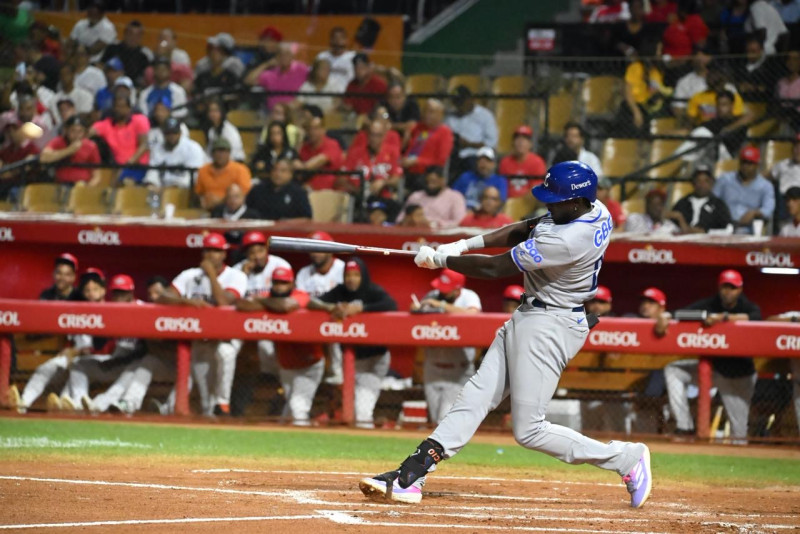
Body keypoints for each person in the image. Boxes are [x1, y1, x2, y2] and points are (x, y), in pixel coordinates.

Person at [359, 160, 652, 509]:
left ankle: (624, 458)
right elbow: (525, 227)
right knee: (475, 396)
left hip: (551, 325)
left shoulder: (571, 237)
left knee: (529, 430)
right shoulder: (591, 209)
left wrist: (442, 261)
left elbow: (495, 266)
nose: (549, 205)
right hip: (532, 316)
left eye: (556, 200)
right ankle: (413, 473)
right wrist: (463, 245)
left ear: (576, 201)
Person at [663, 269, 761, 441]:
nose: (728, 291)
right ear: (719, 287)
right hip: (714, 371)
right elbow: (683, 312)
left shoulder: (746, 306)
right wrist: (666, 315)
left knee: (739, 434)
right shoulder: (711, 303)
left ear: (740, 290)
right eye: (725, 287)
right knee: (674, 370)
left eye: (733, 287)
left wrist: (722, 318)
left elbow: (755, 317)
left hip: (739, 376)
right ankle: (684, 426)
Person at [157, 233, 247, 416]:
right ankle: (209, 413)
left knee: (225, 353)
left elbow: (223, 302)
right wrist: (187, 302)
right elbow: (164, 296)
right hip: (201, 338)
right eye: (208, 250)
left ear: (224, 254)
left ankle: (223, 403)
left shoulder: (236, 276)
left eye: (216, 251)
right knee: (206, 397)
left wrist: (211, 275)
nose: (211, 255)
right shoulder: (190, 275)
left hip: (227, 336)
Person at [310, 257, 398, 429]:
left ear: (363, 276)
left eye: (356, 275)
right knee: (353, 411)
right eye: (348, 275)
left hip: (375, 359)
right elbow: (311, 302)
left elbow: (391, 304)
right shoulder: (340, 291)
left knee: (362, 412)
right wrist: (332, 308)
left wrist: (362, 308)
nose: (351, 279)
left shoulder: (372, 290)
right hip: (350, 361)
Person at [9, 269, 109, 413]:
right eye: (87, 290)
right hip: (73, 360)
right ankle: (23, 402)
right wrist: (69, 350)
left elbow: (108, 347)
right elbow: (69, 339)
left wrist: (79, 352)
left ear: (103, 290)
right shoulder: (77, 311)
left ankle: (73, 403)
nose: (91, 293)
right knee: (46, 368)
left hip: (98, 362)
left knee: (78, 367)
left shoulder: (110, 311)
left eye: (95, 289)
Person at [236, 267, 324, 426]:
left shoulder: (300, 295)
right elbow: (242, 304)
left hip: (309, 363)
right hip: (286, 364)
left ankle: (304, 446)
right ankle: (284, 439)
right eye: (276, 283)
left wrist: (263, 302)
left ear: (291, 284)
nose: (279, 287)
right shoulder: (268, 296)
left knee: (298, 407)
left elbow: (285, 306)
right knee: (292, 407)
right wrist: (268, 302)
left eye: (283, 283)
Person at [60, 274, 148, 411]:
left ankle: (99, 405)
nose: (119, 297)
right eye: (116, 293)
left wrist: (120, 360)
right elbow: (99, 344)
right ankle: (79, 402)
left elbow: (148, 348)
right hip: (115, 360)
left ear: (131, 293)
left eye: (123, 293)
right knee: (79, 364)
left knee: (134, 369)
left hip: (133, 363)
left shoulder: (144, 309)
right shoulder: (110, 310)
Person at [414, 269, 481, 424]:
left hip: (458, 370)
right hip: (433, 368)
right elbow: (418, 311)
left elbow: (472, 315)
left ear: (457, 289)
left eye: (446, 289)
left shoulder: (469, 297)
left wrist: (441, 305)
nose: (441, 292)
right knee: (435, 420)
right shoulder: (433, 295)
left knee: (446, 420)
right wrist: (417, 307)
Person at [713, 146, 775, 234]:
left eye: (750, 163)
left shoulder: (765, 186)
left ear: (757, 165)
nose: (745, 166)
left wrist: (754, 213)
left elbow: (768, 209)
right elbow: (712, 201)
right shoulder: (725, 179)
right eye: (743, 162)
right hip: (723, 226)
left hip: (749, 229)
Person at [89, 95, 149, 184]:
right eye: (116, 106)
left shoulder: (139, 120)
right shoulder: (106, 124)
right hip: (116, 167)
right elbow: (87, 133)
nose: (118, 109)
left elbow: (144, 145)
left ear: (129, 109)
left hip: (138, 166)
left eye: (122, 107)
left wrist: (127, 164)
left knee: (125, 182)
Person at [402, 99, 454, 191]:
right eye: (425, 111)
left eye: (431, 112)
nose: (426, 115)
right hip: (406, 169)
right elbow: (406, 149)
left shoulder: (445, 132)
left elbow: (440, 161)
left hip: (426, 174)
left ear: (440, 114)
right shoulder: (419, 127)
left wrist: (417, 161)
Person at [342, 119, 403, 197]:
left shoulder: (392, 153)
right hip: (356, 196)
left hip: (382, 196)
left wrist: (383, 182)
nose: (374, 139)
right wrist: (357, 191)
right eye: (372, 134)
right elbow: (341, 179)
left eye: (378, 135)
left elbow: (397, 179)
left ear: (384, 136)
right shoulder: (355, 153)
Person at [445, 85, 498, 174]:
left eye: (461, 102)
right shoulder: (450, 117)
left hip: (475, 156)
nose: (459, 106)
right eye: (456, 102)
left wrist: (469, 144)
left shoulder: (484, 115)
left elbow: (491, 143)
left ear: (470, 99)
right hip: (454, 156)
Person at [143, 117, 207, 190]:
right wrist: (151, 183)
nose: (171, 136)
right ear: (163, 134)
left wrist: (173, 187)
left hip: (184, 191)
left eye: (174, 133)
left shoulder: (193, 148)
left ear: (180, 133)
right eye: (168, 133)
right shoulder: (157, 149)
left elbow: (194, 176)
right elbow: (152, 172)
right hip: (161, 189)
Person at [396, 166, 466, 229]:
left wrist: (433, 224)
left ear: (442, 180)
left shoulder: (455, 197)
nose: (430, 185)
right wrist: (409, 221)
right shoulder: (416, 196)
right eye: (427, 182)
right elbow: (400, 219)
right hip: (414, 233)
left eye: (433, 182)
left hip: (441, 235)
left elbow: (459, 222)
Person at [40, 116, 101, 187]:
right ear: (66, 130)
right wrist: (69, 150)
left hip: (82, 185)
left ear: (85, 133)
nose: (76, 135)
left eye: (80, 131)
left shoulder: (91, 146)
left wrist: (86, 188)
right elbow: (43, 158)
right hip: (60, 185)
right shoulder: (58, 141)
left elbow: (97, 176)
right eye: (72, 130)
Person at [246, 157, 312, 221]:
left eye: (283, 171)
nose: (278, 174)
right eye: (275, 170)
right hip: (259, 228)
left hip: (287, 230)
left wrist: (286, 223)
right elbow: (246, 211)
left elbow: (306, 219)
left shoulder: (298, 193)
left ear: (291, 174)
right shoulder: (258, 189)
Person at [670, 166, 733, 233]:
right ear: (693, 183)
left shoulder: (718, 205)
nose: (702, 185)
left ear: (711, 183)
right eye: (698, 180)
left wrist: (706, 232)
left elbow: (728, 229)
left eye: (706, 181)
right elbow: (670, 225)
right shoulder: (683, 203)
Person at [196, 137, 253, 210]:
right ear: (212, 153)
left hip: (232, 209)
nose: (221, 155)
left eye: (224, 151)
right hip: (208, 209)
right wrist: (202, 201)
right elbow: (199, 193)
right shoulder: (203, 170)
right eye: (218, 151)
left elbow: (244, 194)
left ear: (229, 153)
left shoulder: (241, 170)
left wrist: (220, 201)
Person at [249, 42, 309, 111]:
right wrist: (266, 64)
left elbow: (315, 81)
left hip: (294, 113)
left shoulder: (301, 69)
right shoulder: (270, 74)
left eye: (287, 54)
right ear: (277, 56)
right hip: (272, 114)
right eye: (281, 54)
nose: (284, 57)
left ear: (292, 56)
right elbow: (249, 81)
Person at [296, 116, 344, 190]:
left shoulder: (331, 144)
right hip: (307, 189)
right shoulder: (305, 147)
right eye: (309, 129)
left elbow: (309, 166)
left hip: (329, 192)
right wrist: (300, 139)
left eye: (316, 128)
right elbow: (295, 159)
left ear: (323, 130)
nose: (312, 132)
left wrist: (298, 165)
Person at [100, 20, 153, 86]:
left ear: (141, 37)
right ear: (124, 33)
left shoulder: (144, 56)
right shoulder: (112, 49)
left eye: (137, 35)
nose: (133, 38)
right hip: (108, 85)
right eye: (130, 34)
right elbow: (101, 66)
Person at [499, 125, 547, 198]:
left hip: (529, 203)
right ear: (512, 143)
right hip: (507, 202)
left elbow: (537, 190)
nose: (520, 142)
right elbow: (502, 187)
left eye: (524, 139)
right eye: (518, 139)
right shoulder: (505, 162)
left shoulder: (537, 162)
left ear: (530, 144)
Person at [193, 34, 241, 99]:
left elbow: (237, 92)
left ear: (225, 51)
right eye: (212, 49)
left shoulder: (235, 66)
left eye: (218, 50)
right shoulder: (202, 65)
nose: (213, 53)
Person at [735, 34, 780, 99]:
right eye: (748, 51)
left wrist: (753, 88)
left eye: (753, 51)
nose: (749, 54)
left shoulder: (770, 66)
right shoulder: (741, 65)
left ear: (761, 50)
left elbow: (770, 88)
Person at [672, 48, 712, 120]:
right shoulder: (684, 82)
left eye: (704, 56)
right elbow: (677, 108)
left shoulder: (721, 79)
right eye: (698, 58)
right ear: (692, 60)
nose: (701, 60)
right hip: (694, 123)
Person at [382, 82, 420, 146]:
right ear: (388, 98)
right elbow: (381, 124)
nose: (395, 100)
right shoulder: (383, 105)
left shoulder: (412, 105)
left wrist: (392, 126)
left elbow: (412, 125)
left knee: (407, 133)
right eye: (392, 97)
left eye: (398, 97)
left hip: (405, 139)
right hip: (388, 137)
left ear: (404, 96)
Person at [777, 51, 800, 130]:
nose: (791, 62)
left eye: (795, 59)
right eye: (789, 59)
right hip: (782, 115)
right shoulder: (781, 82)